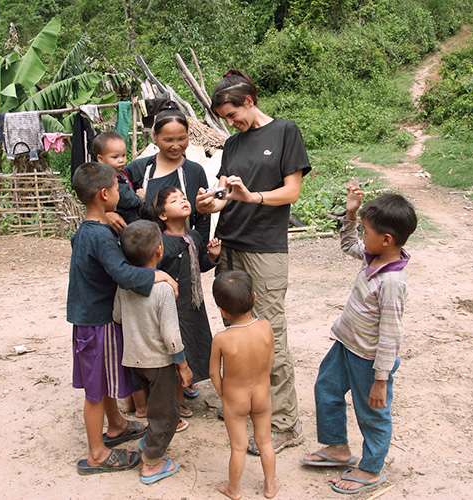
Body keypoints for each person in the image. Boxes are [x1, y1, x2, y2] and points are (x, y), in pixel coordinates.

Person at [196, 69, 311, 455]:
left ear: (249, 101)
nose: (231, 122)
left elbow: (291, 191)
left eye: (232, 114)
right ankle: (244, 403)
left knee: (269, 335)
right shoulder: (233, 143)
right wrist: (212, 202)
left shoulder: (284, 132)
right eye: (227, 118)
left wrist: (253, 198)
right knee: (235, 330)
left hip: (265, 247)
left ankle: (285, 424)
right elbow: (228, 193)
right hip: (231, 241)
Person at [301, 186, 417, 495]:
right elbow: (348, 243)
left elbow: (391, 334)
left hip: (369, 360)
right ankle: (337, 447)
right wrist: (352, 214)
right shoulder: (373, 255)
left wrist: (381, 379)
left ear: (387, 239)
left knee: (373, 413)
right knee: (326, 389)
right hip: (344, 345)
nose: (363, 237)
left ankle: (370, 467)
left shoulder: (392, 281)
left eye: (367, 231)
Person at [66, 162, 178, 475]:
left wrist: (107, 218)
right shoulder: (100, 237)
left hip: (90, 318)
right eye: (117, 189)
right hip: (96, 321)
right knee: (94, 390)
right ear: (105, 194)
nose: (121, 193)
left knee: (100, 380)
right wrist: (159, 277)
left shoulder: (89, 229)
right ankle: (97, 455)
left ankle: (115, 425)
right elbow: (121, 272)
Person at [115, 220, 193, 485]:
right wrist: (182, 365)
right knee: (167, 413)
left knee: (153, 408)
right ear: (160, 251)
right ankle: (152, 463)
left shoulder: (124, 285)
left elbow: (116, 316)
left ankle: (148, 441)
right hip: (158, 361)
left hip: (133, 358)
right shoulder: (163, 289)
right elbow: (171, 337)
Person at [150, 186, 222, 417]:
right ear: (162, 215)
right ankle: (176, 402)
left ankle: (188, 382)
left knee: (195, 341)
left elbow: (199, 266)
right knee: (176, 346)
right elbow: (153, 272)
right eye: (174, 200)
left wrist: (212, 256)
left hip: (194, 303)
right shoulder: (160, 242)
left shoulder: (194, 236)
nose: (182, 200)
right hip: (172, 306)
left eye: (183, 197)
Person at [210, 271, 279, 500]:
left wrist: (222, 394)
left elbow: (213, 373)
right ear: (255, 296)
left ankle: (234, 489)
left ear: (222, 310)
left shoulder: (222, 338)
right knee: (265, 441)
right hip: (261, 393)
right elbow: (270, 359)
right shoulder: (266, 327)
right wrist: (264, 378)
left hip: (235, 399)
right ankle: (270, 486)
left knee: (238, 447)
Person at [126, 108, 210, 244]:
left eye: (182, 138)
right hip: (143, 251)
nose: (176, 146)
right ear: (155, 137)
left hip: (184, 252)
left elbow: (203, 217)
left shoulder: (195, 171)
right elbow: (118, 201)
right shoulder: (139, 169)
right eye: (168, 140)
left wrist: (201, 254)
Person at [92, 132, 143, 231]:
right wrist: (140, 198)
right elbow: (128, 200)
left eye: (123, 155)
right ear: (100, 159)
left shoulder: (120, 173)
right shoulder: (109, 179)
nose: (121, 160)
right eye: (115, 157)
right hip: (123, 222)